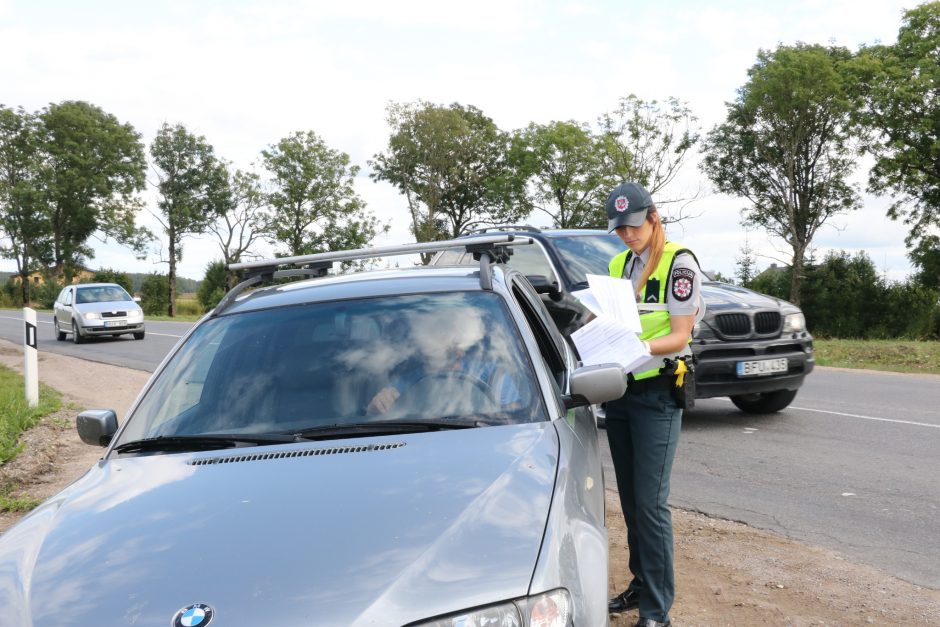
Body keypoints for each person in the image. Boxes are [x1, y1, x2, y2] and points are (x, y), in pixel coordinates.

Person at [604, 181, 704, 627]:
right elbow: (613, 323)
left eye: (632, 226)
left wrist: (634, 350)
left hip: (659, 394)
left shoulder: (679, 263)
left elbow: (680, 335)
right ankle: (640, 584)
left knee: (650, 503)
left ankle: (657, 611)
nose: (627, 235)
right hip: (622, 392)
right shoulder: (619, 263)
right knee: (629, 500)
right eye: (619, 229)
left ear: (653, 216)